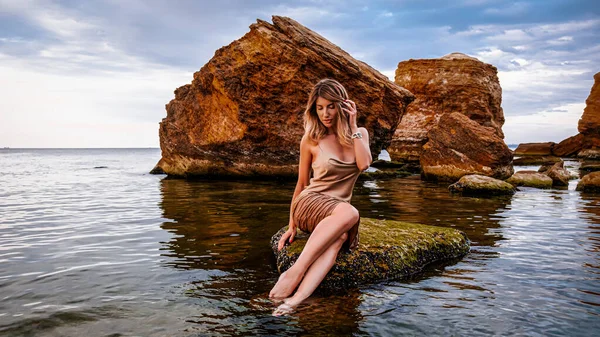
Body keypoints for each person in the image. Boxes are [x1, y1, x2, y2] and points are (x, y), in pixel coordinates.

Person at [269, 78, 372, 315]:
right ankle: (294, 272)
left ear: (342, 105)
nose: (325, 113)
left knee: (340, 237)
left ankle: (294, 300)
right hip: (310, 204)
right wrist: (291, 223)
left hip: (336, 212)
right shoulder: (311, 138)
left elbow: (364, 164)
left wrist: (354, 126)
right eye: (319, 107)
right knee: (351, 212)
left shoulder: (360, 134)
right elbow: (302, 183)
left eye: (330, 106)